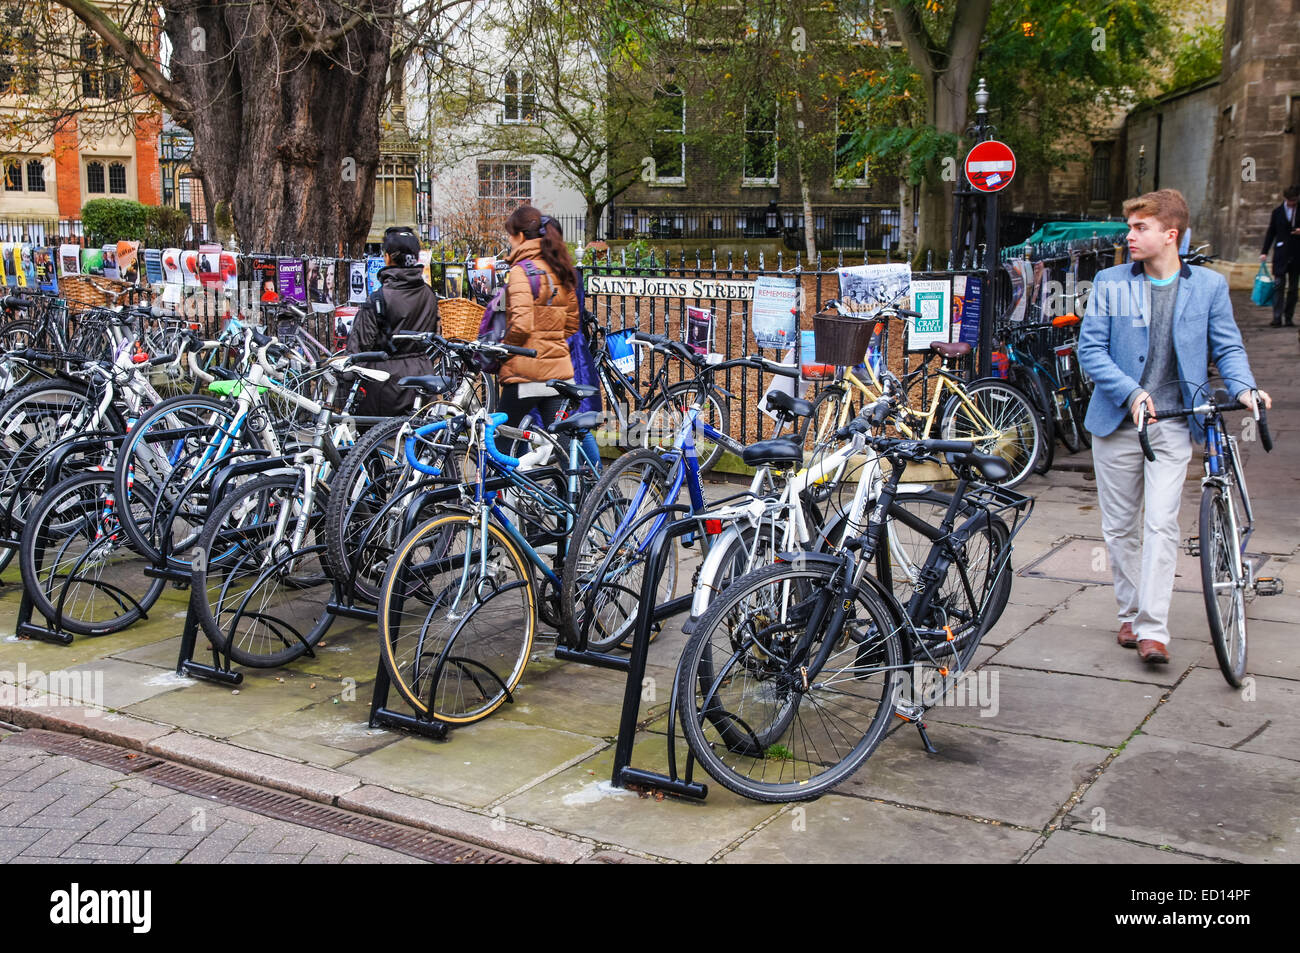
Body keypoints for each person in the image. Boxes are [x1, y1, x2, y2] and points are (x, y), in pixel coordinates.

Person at [1079, 188, 1272, 665]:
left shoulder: (1207, 288)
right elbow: (1091, 350)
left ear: (1171, 235)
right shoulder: (1110, 282)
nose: (1129, 236)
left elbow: (1227, 348)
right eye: (1130, 227)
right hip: (1118, 421)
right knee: (1121, 528)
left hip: (1173, 423)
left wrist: (1245, 388)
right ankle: (1129, 612)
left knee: (1162, 524)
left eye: (1139, 228)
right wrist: (1131, 392)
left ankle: (1152, 629)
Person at [496, 205, 581, 440]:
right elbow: (572, 324)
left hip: (526, 374)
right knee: (565, 442)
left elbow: (522, 325)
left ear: (520, 236)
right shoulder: (559, 268)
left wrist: (504, 349)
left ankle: (507, 477)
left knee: (502, 442)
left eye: (511, 236)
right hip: (559, 373)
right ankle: (590, 478)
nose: (510, 242)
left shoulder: (520, 272)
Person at [344, 225, 438, 417]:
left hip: (383, 388)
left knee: (373, 444)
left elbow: (358, 349)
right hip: (422, 381)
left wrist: (344, 378)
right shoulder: (429, 294)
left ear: (387, 257)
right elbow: (434, 338)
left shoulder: (379, 299)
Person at [1259, 184, 1300, 327]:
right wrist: (1264, 251)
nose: (1292, 203)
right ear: (1285, 199)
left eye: (1295, 200)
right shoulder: (1277, 212)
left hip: (1297, 254)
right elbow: (1271, 232)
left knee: (1294, 289)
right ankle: (1277, 318)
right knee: (1278, 286)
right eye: (1290, 201)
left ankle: (1288, 317)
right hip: (1281, 254)